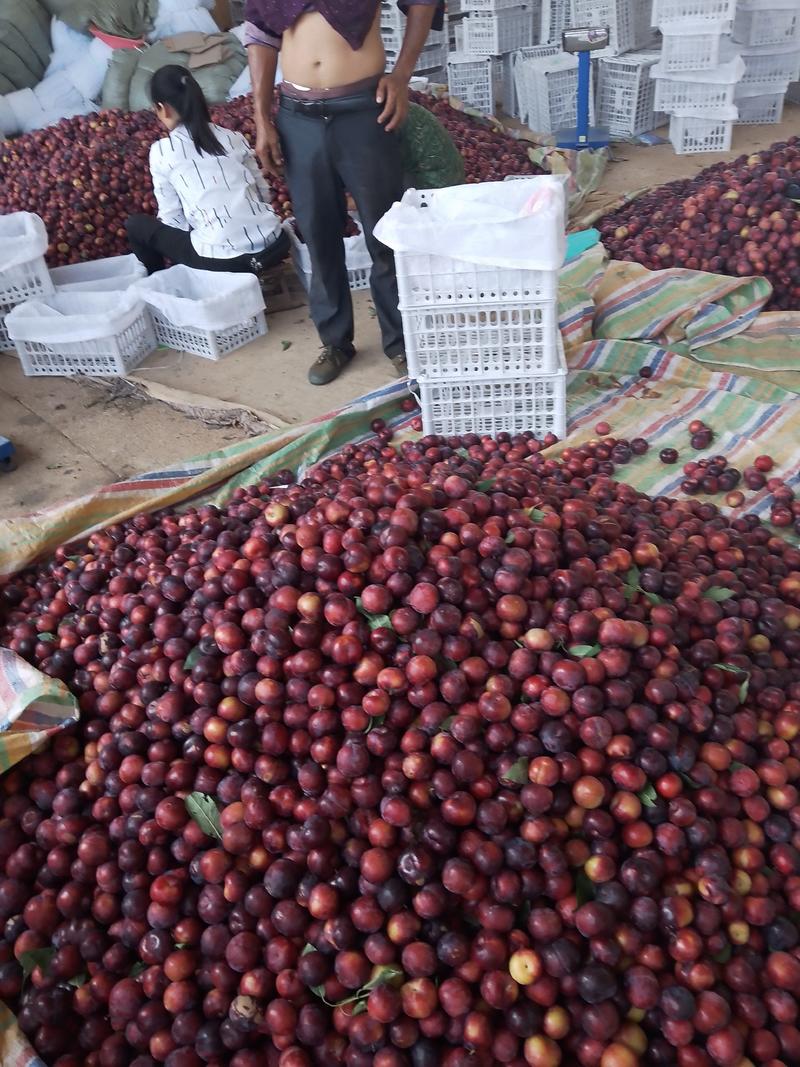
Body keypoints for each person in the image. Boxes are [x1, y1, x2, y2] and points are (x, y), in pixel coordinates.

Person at [245, 0, 444, 386]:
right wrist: (261, 116)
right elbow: (261, 33)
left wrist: (402, 75)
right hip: (296, 117)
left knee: (384, 233)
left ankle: (401, 343)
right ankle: (335, 342)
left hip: (363, 110)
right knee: (318, 235)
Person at [126, 64, 289, 277]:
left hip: (225, 262)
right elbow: (264, 194)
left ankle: (159, 281)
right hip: (275, 245)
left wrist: (207, 231)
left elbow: (173, 220)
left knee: (136, 225)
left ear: (162, 108)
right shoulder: (233, 137)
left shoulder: (162, 152)